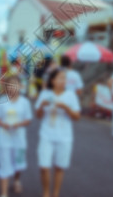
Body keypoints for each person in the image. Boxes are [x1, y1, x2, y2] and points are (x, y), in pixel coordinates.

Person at [35, 68, 81, 197]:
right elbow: (38, 115)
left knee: (60, 167)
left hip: (64, 136)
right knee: (44, 166)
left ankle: (55, 194)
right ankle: (46, 193)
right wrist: (41, 106)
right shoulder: (45, 94)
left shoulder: (70, 95)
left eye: (64, 78)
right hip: (46, 134)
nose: (63, 81)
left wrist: (65, 107)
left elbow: (77, 117)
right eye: (60, 78)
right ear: (53, 80)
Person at [0, 75, 33, 197]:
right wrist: (3, 124)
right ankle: (4, 193)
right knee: (4, 163)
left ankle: (16, 180)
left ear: (20, 86)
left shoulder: (25, 102)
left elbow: (28, 119)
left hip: (19, 139)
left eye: (15, 85)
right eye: (9, 85)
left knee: (18, 163)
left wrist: (18, 124)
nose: (12, 88)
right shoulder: (1, 100)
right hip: (4, 138)